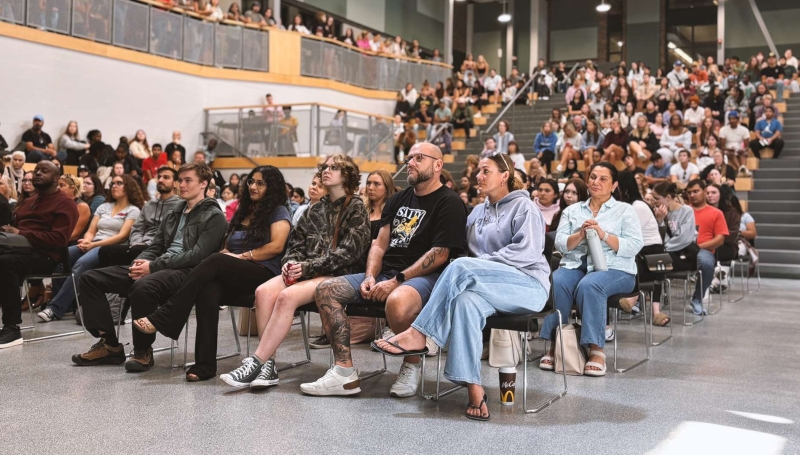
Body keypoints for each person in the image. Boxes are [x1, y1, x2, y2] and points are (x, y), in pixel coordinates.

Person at [373, 153, 550, 421]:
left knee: (462, 267)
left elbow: (527, 252)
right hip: (488, 286)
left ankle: (420, 333)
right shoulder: (477, 212)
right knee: (466, 301)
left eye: (486, 171)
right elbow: (462, 249)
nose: (478, 176)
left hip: (527, 285)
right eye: (478, 170)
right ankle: (474, 390)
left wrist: (479, 265)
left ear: (505, 176)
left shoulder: (525, 207)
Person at [306, 143, 467, 397]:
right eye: (409, 157)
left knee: (397, 302)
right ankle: (343, 372)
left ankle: (412, 364)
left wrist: (398, 280)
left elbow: (440, 254)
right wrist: (370, 275)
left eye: (419, 158)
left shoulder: (450, 202)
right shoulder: (397, 199)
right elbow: (379, 245)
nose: (410, 162)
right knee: (326, 290)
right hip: (386, 274)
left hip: (428, 278)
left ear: (438, 165)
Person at [216, 156, 371, 388]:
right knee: (263, 292)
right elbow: (295, 244)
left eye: (334, 168)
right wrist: (289, 264)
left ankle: (257, 361)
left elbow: (349, 253)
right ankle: (269, 366)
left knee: (287, 296)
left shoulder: (355, 207)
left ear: (347, 175)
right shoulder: (314, 209)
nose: (326, 171)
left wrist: (306, 267)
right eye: (325, 167)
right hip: (306, 271)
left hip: (338, 274)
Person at [131, 166, 292, 381]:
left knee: (214, 260)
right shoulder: (245, 210)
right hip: (236, 271)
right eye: (251, 181)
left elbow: (276, 246)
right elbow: (228, 247)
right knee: (208, 289)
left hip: (265, 273)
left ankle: (167, 316)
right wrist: (227, 255)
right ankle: (205, 366)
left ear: (272, 187)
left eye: (260, 183)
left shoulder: (278, 211)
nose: (253, 186)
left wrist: (240, 257)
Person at [71, 163, 227, 370]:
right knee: (90, 279)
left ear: (204, 184)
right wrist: (140, 262)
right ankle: (110, 345)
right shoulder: (174, 212)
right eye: (180, 180)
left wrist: (153, 266)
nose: (181, 185)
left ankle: (143, 350)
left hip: (186, 272)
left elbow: (198, 256)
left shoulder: (215, 216)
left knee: (142, 287)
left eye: (188, 180)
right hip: (158, 265)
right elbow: (156, 245)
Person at [538, 162, 643, 377]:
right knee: (558, 280)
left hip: (617, 270)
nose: (596, 182)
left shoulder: (625, 210)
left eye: (603, 179)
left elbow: (634, 245)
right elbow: (560, 243)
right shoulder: (572, 210)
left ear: (614, 185)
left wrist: (604, 235)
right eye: (593, 177)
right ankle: (555, 344)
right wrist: (580, 234)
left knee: (590, 285)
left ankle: (596, 350)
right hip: (577, 265)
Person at [37, 175, 144, 322]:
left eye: (119, 183)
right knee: (61, 255)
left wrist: (93, 245)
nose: (114, 186)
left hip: (110, 248)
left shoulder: (133, 210)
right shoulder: (104, 207)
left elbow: (122, 236)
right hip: (92, 243)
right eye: (113, 183)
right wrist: (87, 241)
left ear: (129, 187)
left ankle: (55, 308)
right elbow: (91, 230)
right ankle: (65, 304)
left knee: (82, 263)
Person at [0, 161, 79, 349]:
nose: (37, 173)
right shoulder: (28, 202)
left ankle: (12, 328)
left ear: (56, 178)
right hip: (19, 250)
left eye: (44, 171)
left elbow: (59, 239)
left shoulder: (66, 204)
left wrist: (21, 233)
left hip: (47, 256)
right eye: (36, 170)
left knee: (5, 263)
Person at [97, 167, 181, 268]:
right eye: (159, 177)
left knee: (135, 253)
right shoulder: (149, 205)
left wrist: (145, 246)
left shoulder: (180, 205)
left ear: (175, 183)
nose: (160, 180)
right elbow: (137, 228)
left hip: (160, 248)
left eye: (166, 177)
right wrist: (137, 243)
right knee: (105, 251)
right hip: (141, 245)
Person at [615, 171, 665, 318]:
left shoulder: (638, 206)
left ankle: (633, 299)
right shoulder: (628, 206)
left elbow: (628, 235)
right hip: (640, 253)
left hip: (650, 257)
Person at [651, 182, 696, 326]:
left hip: (683, 255)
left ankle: (644, 304)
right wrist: (659, 221)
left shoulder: (686, 211)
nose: (654, 201)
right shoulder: (658, 213)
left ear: (668, 198)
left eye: (657, 198)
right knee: (654, 263)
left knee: (656, 263)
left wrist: (663, 248)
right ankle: (653, 309)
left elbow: (684, 238)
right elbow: (654, 237)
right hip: (665, 255)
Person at [684, 179, 728, 315]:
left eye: (696, 191)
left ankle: (697, 298)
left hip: (703, 251)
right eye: (689, 192)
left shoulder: (716, 213)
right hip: (680, 249)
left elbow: (720, 240)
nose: (692, 195)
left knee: (707, 263)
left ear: (704, 191)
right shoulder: (683, 211)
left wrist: (697, 247)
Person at [706, 184, 740, 264]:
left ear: (720, 194)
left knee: (709, 251)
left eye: (713, 192)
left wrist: (713, 237)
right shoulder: (700, 211)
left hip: (726, 246)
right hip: (705, 244)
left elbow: (732, 235)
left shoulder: (731, 212)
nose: (710, 195)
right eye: (707, 193)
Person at [57, 175, 92, 244]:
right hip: (58, 239)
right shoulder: (57, 204)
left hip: (75, 243)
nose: (58, 188)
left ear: (72, 188)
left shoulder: (82, 206)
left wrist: (52, 243)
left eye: (61, 185)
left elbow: (74, 235)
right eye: (57, 185)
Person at [718, 112, 752, 177]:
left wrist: (744, 149)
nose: (732, 121)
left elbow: (747, 146)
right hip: (727, 149)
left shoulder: (744, 130)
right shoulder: (723, 130)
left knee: (744, 153)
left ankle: (742, 169)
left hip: (739, 148)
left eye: (734, 119)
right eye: (730, 119)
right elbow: (722, 146)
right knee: (730, 153)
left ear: (738, 119)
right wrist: (728, 149)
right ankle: (742, 170)